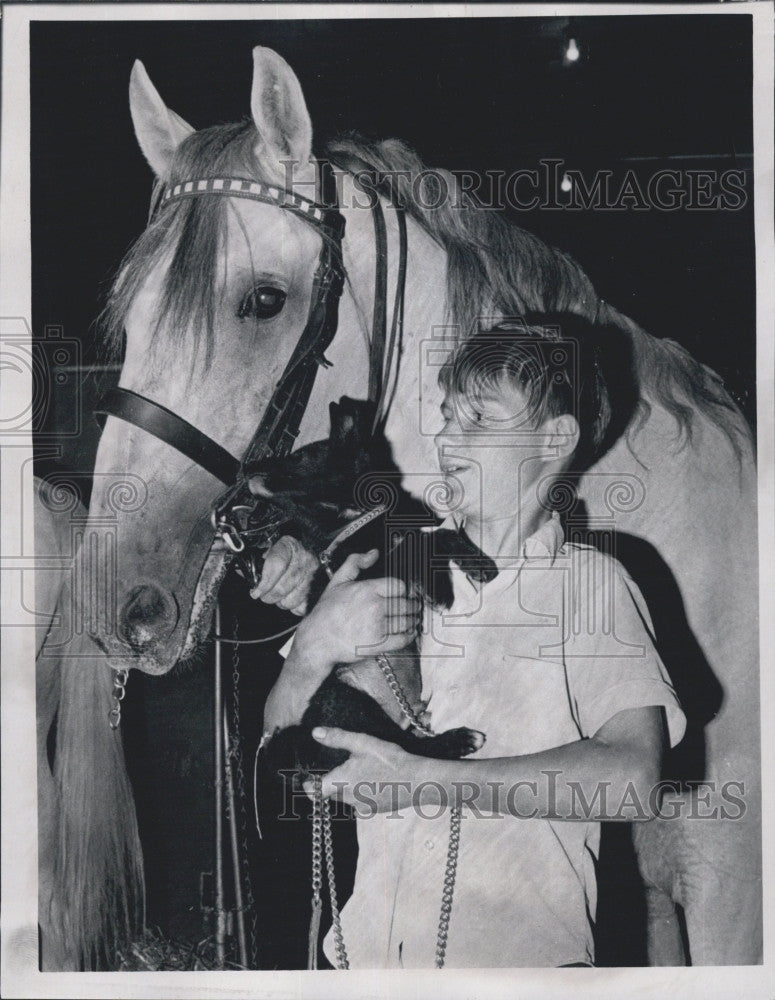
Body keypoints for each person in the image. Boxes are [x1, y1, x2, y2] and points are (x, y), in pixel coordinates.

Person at [262, 317, 686, 968]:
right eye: (447, 415)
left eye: (479, 419)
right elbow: (277, 744)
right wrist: (314, 647)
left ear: (553, 439)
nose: (448, 438)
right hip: (364, 965)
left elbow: (632, 778)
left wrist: (425, 779)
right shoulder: (383, 570)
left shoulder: (589, 584)